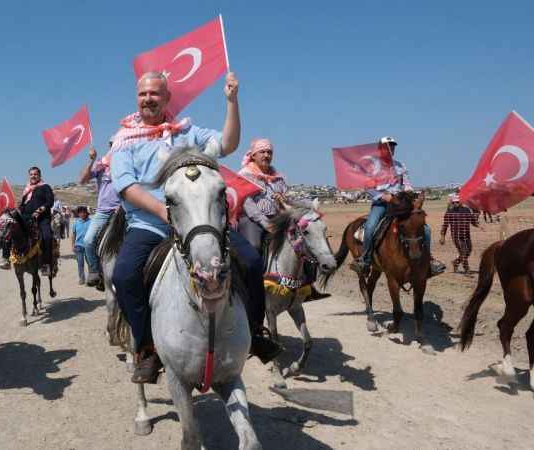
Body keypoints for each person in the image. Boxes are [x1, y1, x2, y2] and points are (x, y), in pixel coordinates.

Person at [110, 71, 281, 383]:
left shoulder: (186, 132)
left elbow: (227, 143)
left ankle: (256, 332)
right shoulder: (123, 140)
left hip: (198, 222)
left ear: (167, 97)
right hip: (151, 223)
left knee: (253, 263)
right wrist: (163, 210)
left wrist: (232, 102)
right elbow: (126, 187)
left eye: (154, 94)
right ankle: (147, 347)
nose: (148, 99)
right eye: (143, 94)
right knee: (124, 275)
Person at [237, 138, 330, 301]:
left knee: (304, 240)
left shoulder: (278, 177)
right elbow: (247, 203)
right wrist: (265, 223)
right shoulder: (245, 175)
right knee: (254, 246)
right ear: (253, 155)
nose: (266, 155)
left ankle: (308, 285)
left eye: (269, 152)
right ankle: (249, 287)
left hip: (278, 218)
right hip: (252, 219)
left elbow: (290, 199)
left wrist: (292, 201)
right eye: (262, 152)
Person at [351, 136, 446, 276]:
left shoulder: (400, 166)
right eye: (387, 146)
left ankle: (429, 261)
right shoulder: (372, 167)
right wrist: (384, 196)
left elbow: (406, 184)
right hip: (381, 204)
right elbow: (368, 187)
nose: (391, 148)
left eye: (393, 146)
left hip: (400, 204)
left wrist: (410, 193)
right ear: (380, 149)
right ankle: (365, 260)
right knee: (370, 226)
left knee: (425, 229)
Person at [78, 141, 121, 289]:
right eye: (112, 144)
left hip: (124, 211)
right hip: (103, 212)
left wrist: (123, 205)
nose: (115, 147)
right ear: (109, 147)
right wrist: (91, 160)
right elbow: (82, 180)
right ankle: (95, 271)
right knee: (88, 240)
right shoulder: (100, 165)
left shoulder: (127, 163)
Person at [18, 166, 55, 275]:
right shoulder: (26, 189)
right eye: (31, 174)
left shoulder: (45, 187)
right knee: (10, 232)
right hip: (26, 218)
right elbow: (23, 204)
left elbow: (50, 202)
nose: (33, 176)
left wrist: (40, 210)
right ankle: (7, 258)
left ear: (39, 175)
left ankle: (46, 264)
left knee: (47, 237)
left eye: (35, 174)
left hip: (42, 218)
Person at [440, 194, 482, 274]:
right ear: (452, 202)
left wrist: (478, 225)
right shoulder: (449, 213)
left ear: (461, 202)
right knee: (463, 251)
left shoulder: (466, 210)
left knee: (468, 251)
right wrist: (442, 236)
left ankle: (456, 262)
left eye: (458, 202)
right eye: (454, 202)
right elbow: (445, 225)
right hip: (456, 236)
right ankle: (467, 270)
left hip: (466, 235)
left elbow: (472, 221)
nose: (456, 203)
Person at [71, 206, 91, 285]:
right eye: (80, 212)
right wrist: (72, 245)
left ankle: (91, 279)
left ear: (86, 213)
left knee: (90, 263)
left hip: (88, 246)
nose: (82, 214)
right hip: (78, 246)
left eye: (83, 212)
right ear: (78, 214)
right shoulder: (76, 223)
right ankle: (81, 279)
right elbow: (73, 235)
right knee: (80, 263)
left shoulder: (91, 222)